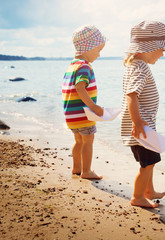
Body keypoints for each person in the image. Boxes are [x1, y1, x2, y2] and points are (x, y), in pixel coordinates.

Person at [121, 21, 165, 208]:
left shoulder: (135, 64)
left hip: (142, 125)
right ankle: (137, 197)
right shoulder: (140, 67)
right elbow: (131, 94)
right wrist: (137, 122)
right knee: (148, 163)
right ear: (148, 48)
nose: (162, 54)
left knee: (150, 160)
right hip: (140, 127)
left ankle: (149, 191)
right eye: (161, 49)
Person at [62, 25, 106, 180]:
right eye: (98, 50)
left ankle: (76, 168)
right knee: (88, 140)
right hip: (83, 114)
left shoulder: (71, 66)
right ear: (88, 48)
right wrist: (93, 106)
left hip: (71, 116)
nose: (99, 55)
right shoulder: (84, 66)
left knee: (78, 141)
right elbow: (80, 87)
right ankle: (86, 171)